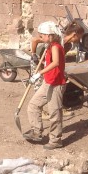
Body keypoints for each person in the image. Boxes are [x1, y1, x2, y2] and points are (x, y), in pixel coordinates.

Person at [23, 21, 66, 150]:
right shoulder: (49, 45)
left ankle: (55, 140)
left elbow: (56, 62)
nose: (40, 38)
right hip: (48, 81)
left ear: (50, 35)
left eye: (42, 35)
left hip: (56, 84)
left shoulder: (55, 47)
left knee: (54, 113)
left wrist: (39, 73)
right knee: (33, 105)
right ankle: (36, 131)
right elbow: (48, 63)